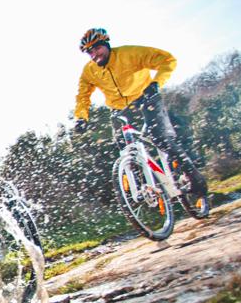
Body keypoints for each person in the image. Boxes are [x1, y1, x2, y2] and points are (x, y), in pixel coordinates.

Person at [74, 27, 208, 196]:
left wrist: (156, 83)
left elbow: (167, 60)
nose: (95, 55)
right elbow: (83, 96)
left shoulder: (129, 53)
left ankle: (195, 178)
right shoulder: (89, 71)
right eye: (90, 52)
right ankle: (145, 187)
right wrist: (81, 118)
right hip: (120, 109)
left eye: (97, 49)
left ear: (106, 44)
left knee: (159, 137)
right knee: (124, 148)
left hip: (146, 98)